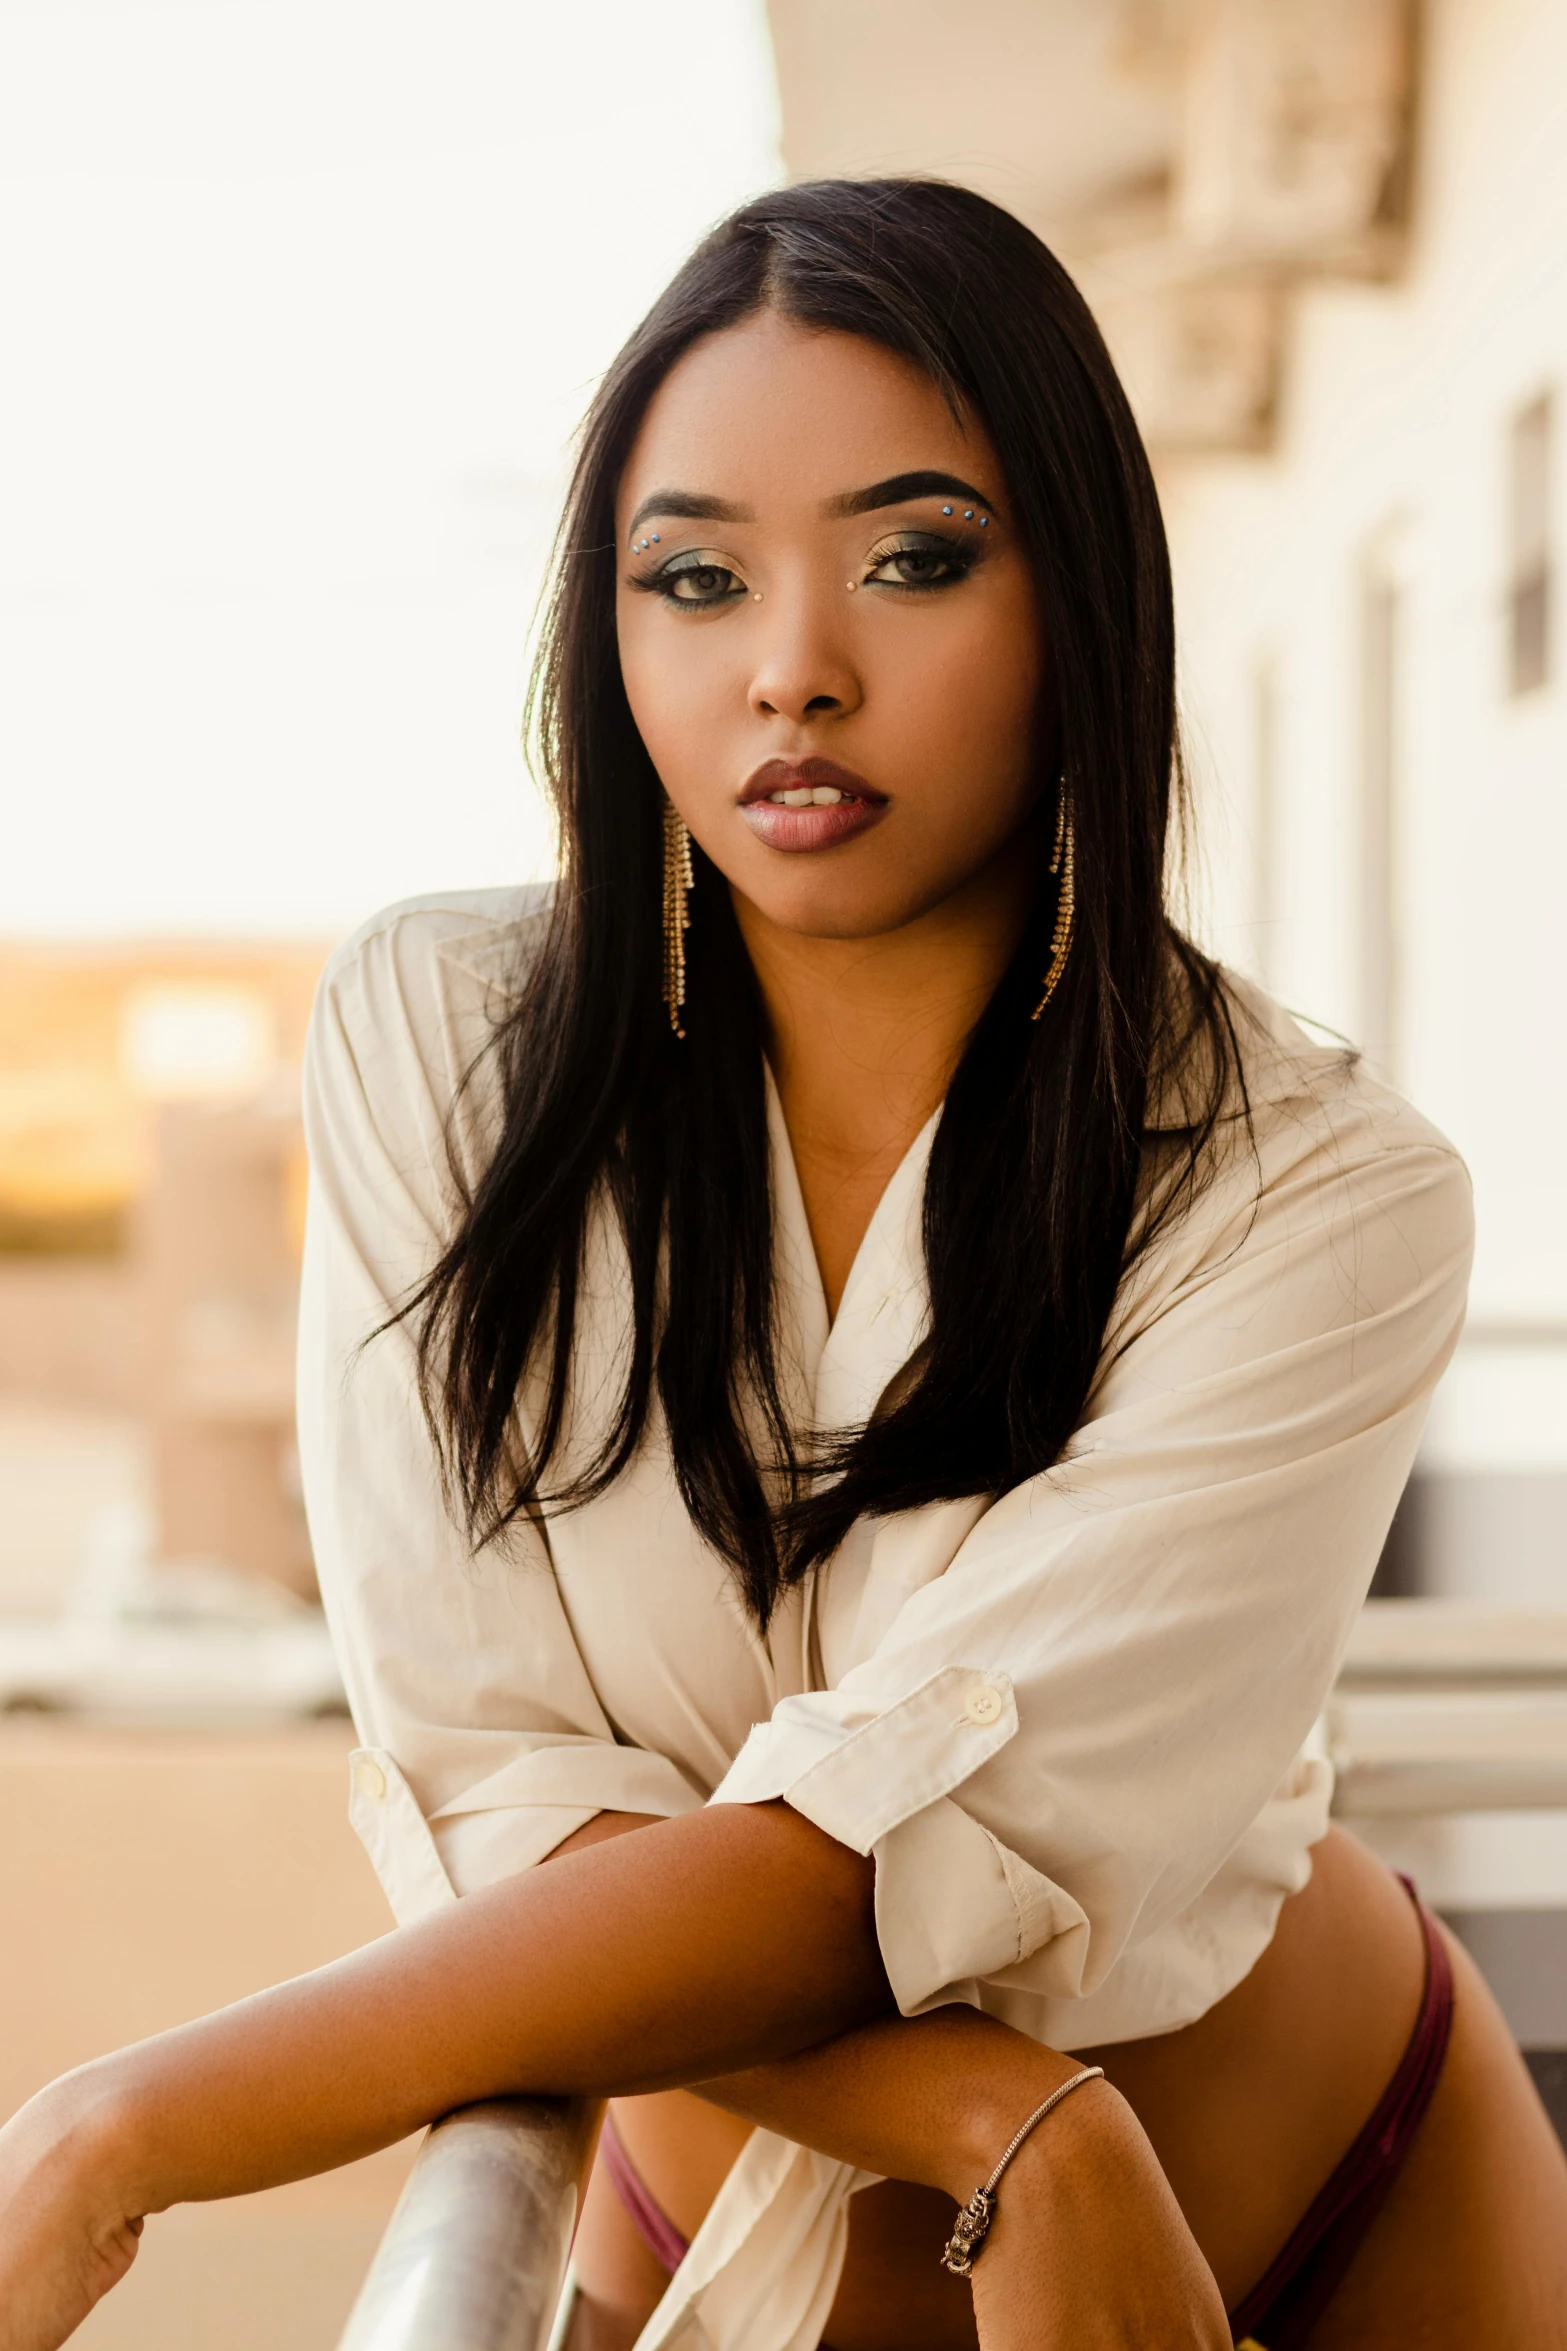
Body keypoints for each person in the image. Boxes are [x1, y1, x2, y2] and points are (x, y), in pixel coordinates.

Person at [2, 177, 1564, 2351]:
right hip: (766, 2224)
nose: (792, 668)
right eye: (695, 576)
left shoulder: (1324, 1193)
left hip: (1344, 2186)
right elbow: (490, 1781)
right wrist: (1009, 2123)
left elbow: (870, 1870)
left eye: (916, 558)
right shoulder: (445, 1053)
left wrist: (117, 2122)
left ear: (1081, 595)